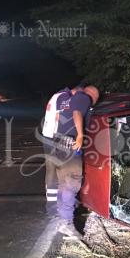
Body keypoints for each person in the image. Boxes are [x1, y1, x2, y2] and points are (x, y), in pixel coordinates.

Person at [41, 84, 100, 234]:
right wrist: (80, 135)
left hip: (58, 143)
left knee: (63, 183)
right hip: (70, 145)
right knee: (72, 183)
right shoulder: (84, 97)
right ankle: (66, 222)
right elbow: (77, 113)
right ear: (93, 96)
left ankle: (61, 217)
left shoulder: (63, 99)